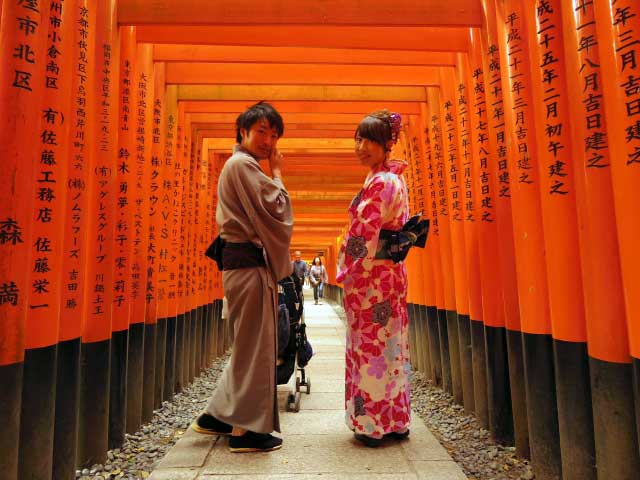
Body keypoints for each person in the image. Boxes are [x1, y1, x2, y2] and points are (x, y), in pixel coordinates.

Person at [193, 101, 293, 453]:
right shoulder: (242, 164)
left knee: (249, 345)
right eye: (261, 131)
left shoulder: (242, 165)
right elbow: (277, 207)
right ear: (243, 132)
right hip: (248, 269)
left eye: (273, 134)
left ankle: (218, 415)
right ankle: (246, 432)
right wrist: (278, 173)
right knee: (257, 348)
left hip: (245, 269)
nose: (268, 140)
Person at [337, 110, 412, 447]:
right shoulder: (392, 179)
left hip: (371, 279)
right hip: (390, 275)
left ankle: (371, 423)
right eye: (358, 139)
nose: (361, 146)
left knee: (370, 350)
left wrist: (345, 269)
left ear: (387, 145)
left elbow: (364, 231)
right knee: (392, 346)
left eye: (369, 140)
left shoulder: (381, 182)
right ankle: (396, 419)